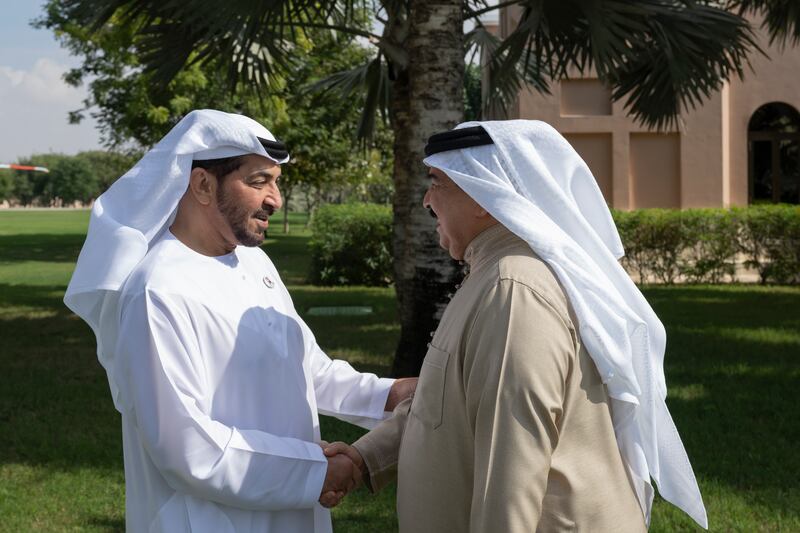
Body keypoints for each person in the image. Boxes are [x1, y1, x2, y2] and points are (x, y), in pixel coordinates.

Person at [323, 121, 708, 531]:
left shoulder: (514, 291)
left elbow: (511, 477)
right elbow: (445, 404)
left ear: (484, 194)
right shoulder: (495, 274)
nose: (425, 200)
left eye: (437, 182)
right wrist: (363, 459)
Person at [64, 109, 416, 532]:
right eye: (258, 182)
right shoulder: (157, 290)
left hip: (291, 512)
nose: (276, 199)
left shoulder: (256, 263)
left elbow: (306, 370)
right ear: (202, 185)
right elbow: (189, 449)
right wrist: (322, 472)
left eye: (277, 182)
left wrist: (392, 394)